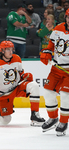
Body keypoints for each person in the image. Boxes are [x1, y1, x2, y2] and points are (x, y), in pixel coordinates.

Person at [0, 40, 45, 126]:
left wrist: (25, 76)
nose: (11, 52)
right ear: (2, 51)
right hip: (4, 94)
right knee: (5, 120)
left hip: (17, 88)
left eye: (12, 49)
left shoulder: (17, 58)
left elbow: (21, 74)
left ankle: (35, 116)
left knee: (34, 86)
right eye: (8, 49)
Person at [40, 8, 69, 136]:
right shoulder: (58, 28)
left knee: (64, 95)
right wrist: (47, 52)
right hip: (56, 69)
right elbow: (51, 45)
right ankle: (53, 118)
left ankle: (63, 122)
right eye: (68, 17)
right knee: (47, 92)